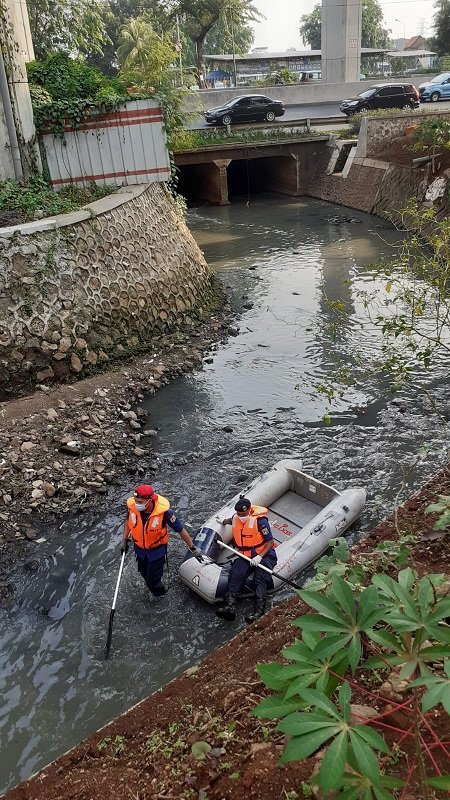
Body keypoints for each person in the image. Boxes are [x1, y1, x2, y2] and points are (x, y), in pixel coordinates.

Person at [121, 484, 203, 597]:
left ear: (149, 501)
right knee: (143, 573)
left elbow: (180, 530)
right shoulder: (133, 508)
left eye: (139, 502)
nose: (136, 504)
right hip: (140, 550)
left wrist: (192, 548)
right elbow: (128, 522)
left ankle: (161, 595)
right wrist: (124, 540)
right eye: (135, 501)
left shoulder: (165, 513)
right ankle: (155, 586)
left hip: (156, 552)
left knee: (152, 583)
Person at [216, 496, 277, 624]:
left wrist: (260, 557)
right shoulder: (235, 518)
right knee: (236, 574)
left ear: (249, 510)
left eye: (244, 514)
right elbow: (230, 521)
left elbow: (270, 542)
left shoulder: (260, 522)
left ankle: (258, 611)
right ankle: (230, 607)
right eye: (239, 514)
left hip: (264, 554)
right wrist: (223, 521)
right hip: (245, 555)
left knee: (259, 579)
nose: (241, 516)